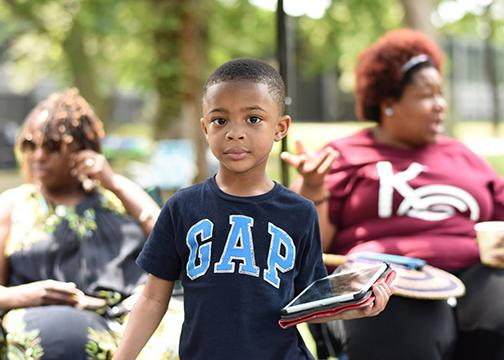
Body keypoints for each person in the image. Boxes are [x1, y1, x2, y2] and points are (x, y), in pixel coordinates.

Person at [112, 58, 394, 360]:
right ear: (205, 128)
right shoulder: (182, 207)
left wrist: (356, 308)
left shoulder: (299, 212)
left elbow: (308, 307)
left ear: (280, 128)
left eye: (253, 119)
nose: (235, 132)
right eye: (220, 120)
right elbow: (154, 297)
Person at [281, 28, 504, 360]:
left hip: (475, 272)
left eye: (441, 93)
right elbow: (311, 252)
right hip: (385, 276)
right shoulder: (344, 155)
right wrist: (314, 189)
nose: (440, 105)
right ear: (388, 104)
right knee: (408, 332)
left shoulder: (463, 156)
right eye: (426, 95)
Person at [0, 88, 162, 359]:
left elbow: (174, 243)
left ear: (81, 150)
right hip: (48, 321)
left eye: (51, 146)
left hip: (133, 317)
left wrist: (112, 182)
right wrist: (27, 295)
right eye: (31, 144)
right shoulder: (14, 205)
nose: (38, 156)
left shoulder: (117, 197)